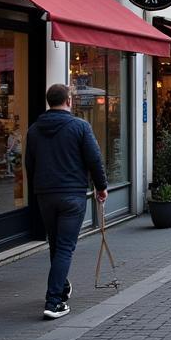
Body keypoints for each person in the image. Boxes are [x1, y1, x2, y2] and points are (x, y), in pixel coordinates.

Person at [25, 83, 107, 321]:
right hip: (72, 194)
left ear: (49, 101)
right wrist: (101, 187)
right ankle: (54, 301)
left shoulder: (34, 130)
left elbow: (29, 164)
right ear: (69, 101)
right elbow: (94, 159)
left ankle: (60, 287)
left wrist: (37, 189)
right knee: (65, 247)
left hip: (45, 195)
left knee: (56, 244)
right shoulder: (80, 126)